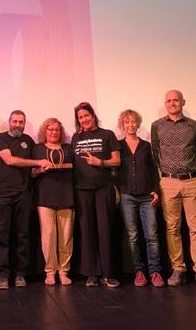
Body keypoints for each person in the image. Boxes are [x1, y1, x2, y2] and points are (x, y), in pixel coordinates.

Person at [151, 89, 196, 288]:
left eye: (176, 100)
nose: (172, 103)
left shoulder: (195, 126)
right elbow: (155, 154)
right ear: (165, 103)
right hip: (168, 182)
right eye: (169, 100)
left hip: (192, 181)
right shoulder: (157, 126)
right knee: (172, 228)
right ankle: (178, 268)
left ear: (183, 102)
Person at [0, 110, 52, 289]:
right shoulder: (1, 138)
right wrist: (38, 162)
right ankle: (2, 275)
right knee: (1, 236)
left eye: (21, 122)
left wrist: (41, 168)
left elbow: (32, 172)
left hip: (24, 194)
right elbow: (10, 160)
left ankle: (20, 274)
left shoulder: (29, 141)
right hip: (3, 194)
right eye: (15, 121)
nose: (18, 125)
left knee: (22, 235)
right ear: (9, 122)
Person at [71, 102, 121, 288]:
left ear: (93, 115)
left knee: (105, 230)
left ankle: (109, 274)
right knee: (87, 231)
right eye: (80, 117)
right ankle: (92, 274)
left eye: (86, 115)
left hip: (103, 188)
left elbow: (117, 160)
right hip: (82, 189)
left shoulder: (107, 134)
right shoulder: (76, 138)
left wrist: (100, 162)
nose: (84, 119)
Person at [117, 109, 164, 288]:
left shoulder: (146, 145)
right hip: (127, 196)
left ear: (138, 124)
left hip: (147, 197)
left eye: (133, 121)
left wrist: (156, 190)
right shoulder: (118, 146)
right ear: (122, 125)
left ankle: (155, 272)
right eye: (127, 122)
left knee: (151, 235)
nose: (130, 125)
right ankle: (139, 271)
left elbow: (153, 170)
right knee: (133, 236)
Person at [31, 118, 75, 286]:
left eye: (57, 129)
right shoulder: (37, 149)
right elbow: (31, 173)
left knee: (66, 236)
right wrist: (39, 170)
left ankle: (64, 271)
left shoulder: (68, 148)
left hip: (66, 196)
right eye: (50, 129)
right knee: (48, 236)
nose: (54, 132)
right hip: (45, 197)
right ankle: (50, 271)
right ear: (45, 131)